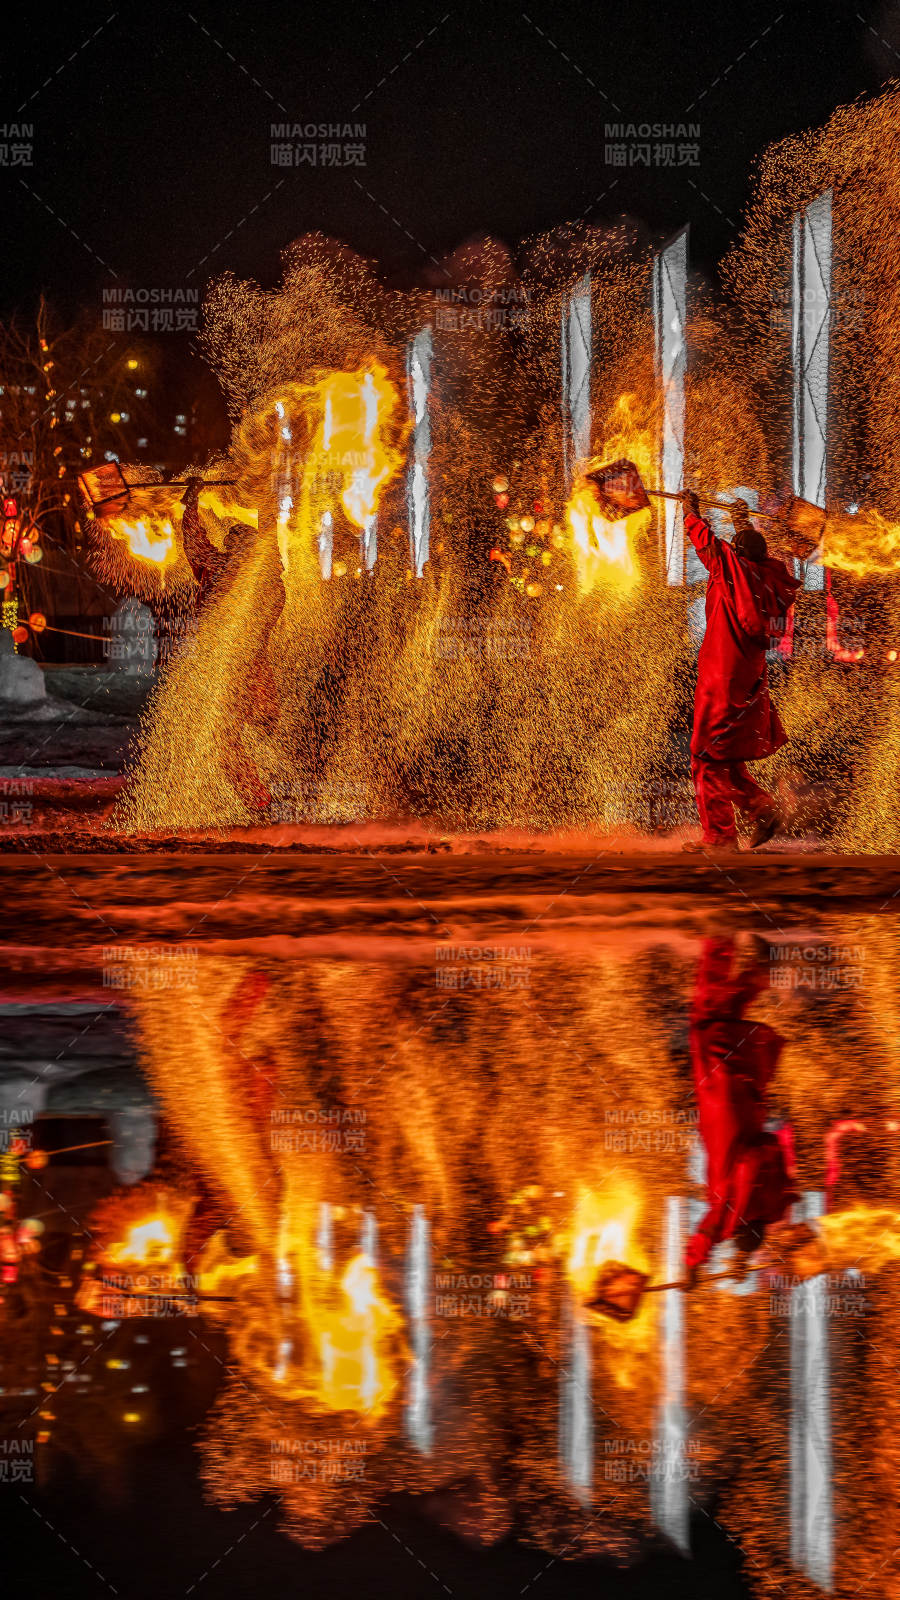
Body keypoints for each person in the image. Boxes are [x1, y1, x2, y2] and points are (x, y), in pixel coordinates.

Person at [681, 491, 801, 852]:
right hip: (749, 678)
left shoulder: (734, 571)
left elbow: (710, 547)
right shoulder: (771, 579)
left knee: (705, 758)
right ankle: (761, 808)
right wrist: (742, 521)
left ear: (738, 553)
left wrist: (690, 513)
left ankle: (719, 837)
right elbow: (741, 554)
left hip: (722, 677)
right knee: (723, 757)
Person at [686, 936, 798, 1283]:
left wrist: (733, 1261)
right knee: (706, 1016)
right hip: (721, 1100)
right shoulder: (729, 1208)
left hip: (747, 1103)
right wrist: (691, 1267)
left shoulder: (772, 1203)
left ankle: (763, 971)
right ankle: (719, 937)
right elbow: (709, 1233)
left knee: (724, 1014)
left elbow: (772, 1148)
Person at [179, 478, 286, 811]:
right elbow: (196, 545)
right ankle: (261, 800)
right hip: (232, 673)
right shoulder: (219, 567)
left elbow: (199, 546)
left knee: (239, 736)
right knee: (228, 738)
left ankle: (268, 797)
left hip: (247, 673)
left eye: (239, 543)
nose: (233, 548)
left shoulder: (263, 578)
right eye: (232, 543)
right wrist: (190, 506)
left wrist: (192, 505)